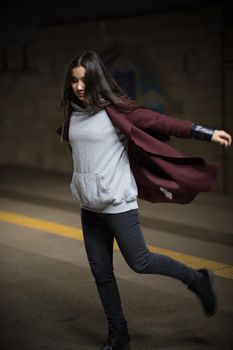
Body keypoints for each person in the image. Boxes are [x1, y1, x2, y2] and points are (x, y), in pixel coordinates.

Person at [56, 50, 232, 350]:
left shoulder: (117, 112)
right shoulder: (73, 113)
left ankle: (197, 279)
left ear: (97, 80)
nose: (79, 87)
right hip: (90, 207)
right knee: (101, 273)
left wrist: (206, 132)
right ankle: (119, 333)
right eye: (74, 81)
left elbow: (163, 123)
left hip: (117, 205)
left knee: (141, 262)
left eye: (84, 81)